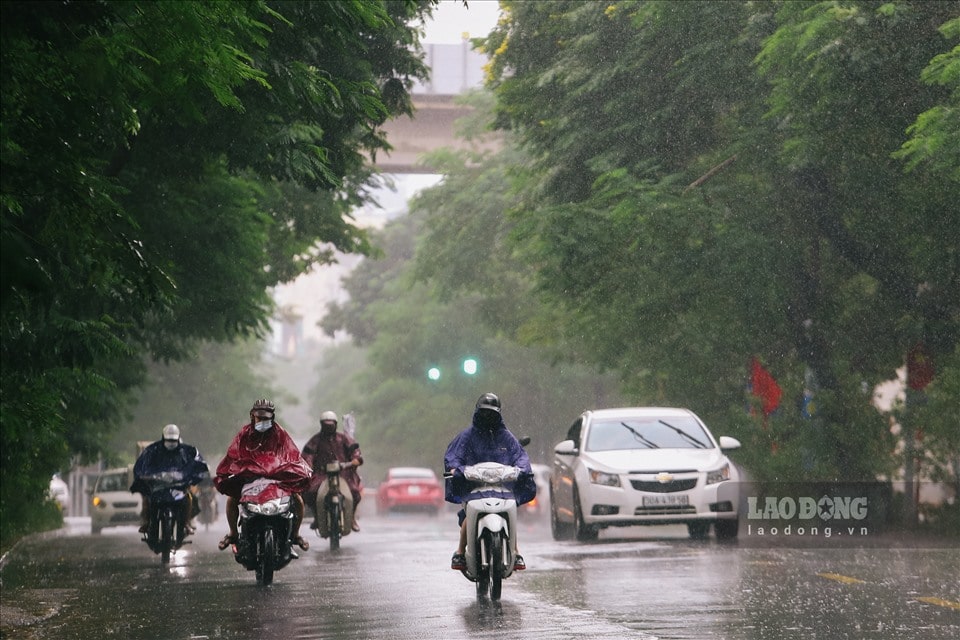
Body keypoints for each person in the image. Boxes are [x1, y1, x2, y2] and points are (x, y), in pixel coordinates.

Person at [443, 392, 536, 571]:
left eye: (491, 413)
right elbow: (454, 456)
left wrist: (522, 469)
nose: (487, 417)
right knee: (468, 516)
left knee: (511, 513)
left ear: (498, 414)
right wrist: (456, 469)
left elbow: (520, 457)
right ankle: (460, 551)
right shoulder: (467, 436)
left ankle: (515, 551)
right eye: (484, 413)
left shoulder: (506, 437)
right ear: (477, 412)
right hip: (474, 487)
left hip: (502, 488)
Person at [214, 398, 312, 552]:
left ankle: (295, 534)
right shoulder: (243, 435)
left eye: (266, 418)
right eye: (260, 418)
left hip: (277, 478)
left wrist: (288, 468)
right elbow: (233, 454)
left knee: (298, 499)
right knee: (232, 499)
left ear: (272, 417)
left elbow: (292, 454)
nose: (263, 421)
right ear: (252, 416)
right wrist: (237, 468)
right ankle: (234, 533)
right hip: (250, 477)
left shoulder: (280, 434)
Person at [131, 424, 209, 536]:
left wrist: (193, 475)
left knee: (188, 497)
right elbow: (144, 464)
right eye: (168, 440)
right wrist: (145, 476)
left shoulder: (185, 452)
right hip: (158, 486)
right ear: (163, 438)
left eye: (173, 440)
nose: (171, 443)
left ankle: (186, 523)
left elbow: (194, 464)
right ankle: (147, 522)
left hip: (178, 486)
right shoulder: (154, 450)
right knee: (147, 498)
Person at [301, 410, 364, 532]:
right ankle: (318, 517)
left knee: (354, 493)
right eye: (326, 425)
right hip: (321, 474)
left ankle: (351, 518)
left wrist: (355, 459)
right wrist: (308, 466)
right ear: (321, 425)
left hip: (344, 473)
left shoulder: (344, 438)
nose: (328, 427)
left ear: (335, 424)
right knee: (310, 492)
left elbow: (355, 451)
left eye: (331, 425)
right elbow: (307, 456)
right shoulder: (315, 440)